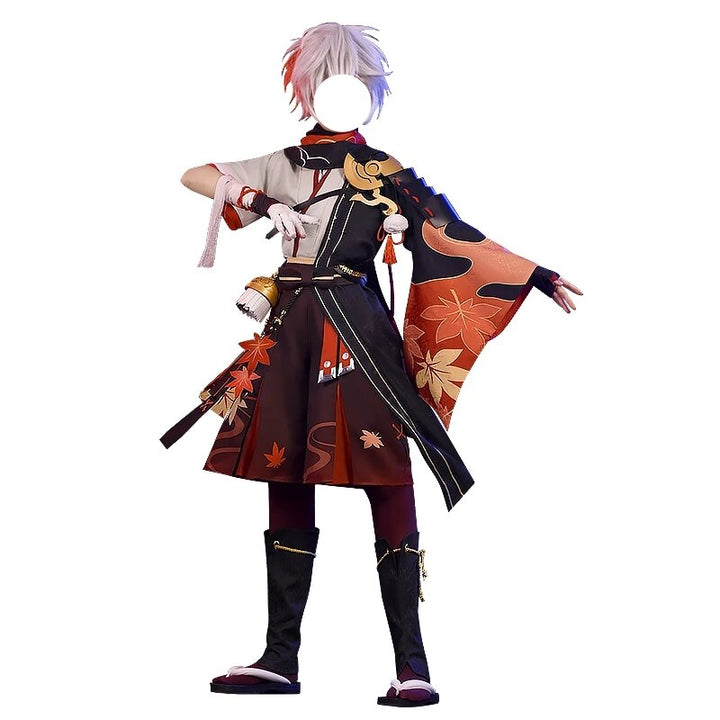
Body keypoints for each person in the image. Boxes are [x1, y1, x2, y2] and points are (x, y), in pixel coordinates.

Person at [160, 21, 582, 707]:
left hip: (356, 332)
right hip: (290, 329)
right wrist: (261, 201)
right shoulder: (284, 163)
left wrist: (532, 273)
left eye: (351, 80)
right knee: (285, 471)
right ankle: (279, 658)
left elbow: (451, 233)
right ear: (308, 88)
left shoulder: (386, 173)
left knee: (386, 475)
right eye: (327, 78)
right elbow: (195, 174)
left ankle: (412, 663)